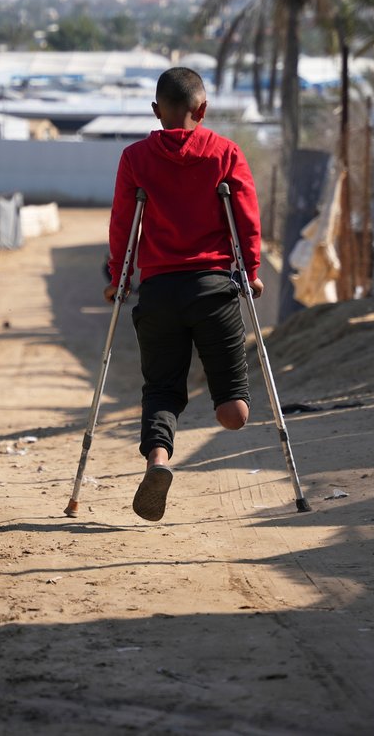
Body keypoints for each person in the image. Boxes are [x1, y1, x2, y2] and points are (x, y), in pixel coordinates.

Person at [104, 66, 264, 522]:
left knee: (162, 388)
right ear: (203, 109)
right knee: (234, 408)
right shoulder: (226, 153)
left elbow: (122, 225)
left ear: (156, 111)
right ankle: (229, 406)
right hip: (213, 291)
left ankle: (159, 460)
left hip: (157, 292)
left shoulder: (135, 157)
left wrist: (119, 277)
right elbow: (247, 217)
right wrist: (250, 271)